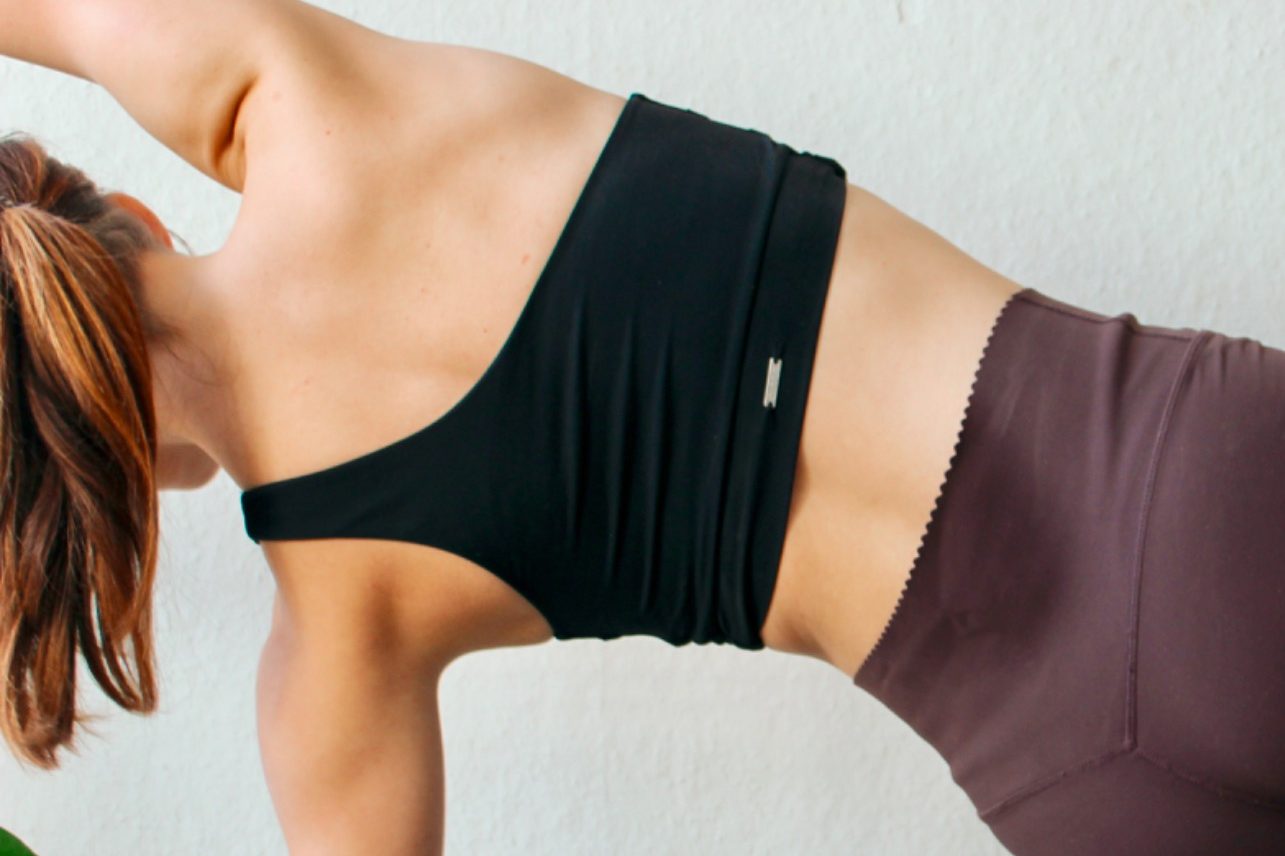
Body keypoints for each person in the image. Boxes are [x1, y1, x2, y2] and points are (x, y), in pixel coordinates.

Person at [1, 2, 1281, 854]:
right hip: (1202, 473)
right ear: (127, 219)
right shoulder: (289, 82)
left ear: (83, 466)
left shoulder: (335, 659)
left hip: (1084, 780)